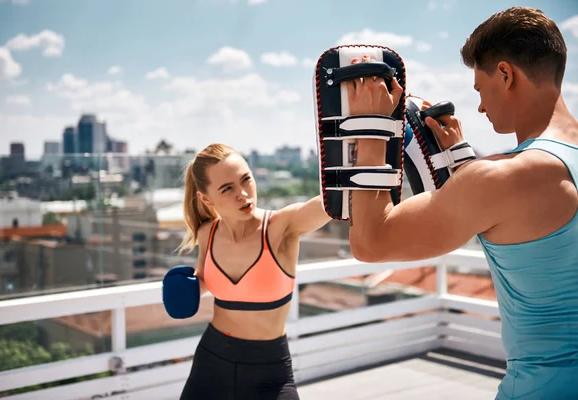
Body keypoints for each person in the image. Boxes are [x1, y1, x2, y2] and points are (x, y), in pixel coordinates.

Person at [345, 6, 578, 400]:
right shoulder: (515, 175)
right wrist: (462, 162)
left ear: (505, 74)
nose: (482, 107)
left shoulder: (502, 179)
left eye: (480, 89)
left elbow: (369, 241)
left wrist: (373, 128)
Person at [162, 143, 332, 400]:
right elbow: (206, 279)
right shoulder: (207, 233)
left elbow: (330, 203)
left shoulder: (280, 226)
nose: (243, 194)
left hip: (269, 371)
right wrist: (188, 287)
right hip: (212, 360)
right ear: (206, 198)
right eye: (227, 188)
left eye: (246, 180)